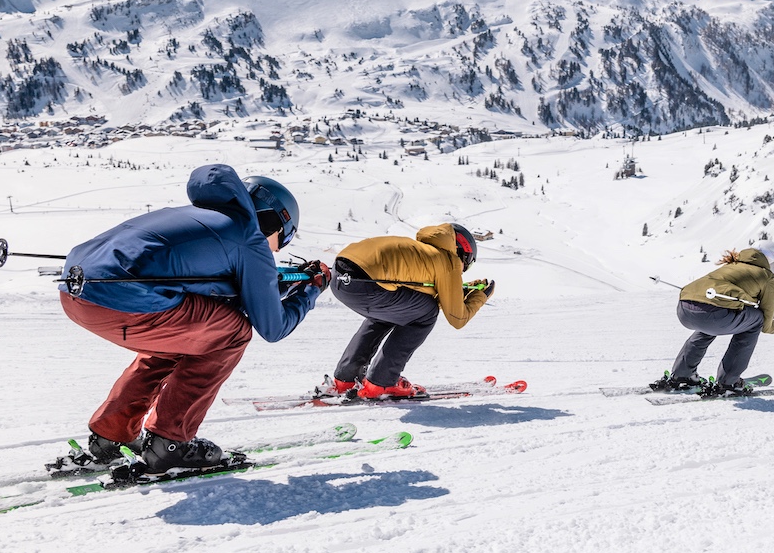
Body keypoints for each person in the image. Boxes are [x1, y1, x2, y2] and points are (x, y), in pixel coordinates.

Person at [59, 164, 330, 473]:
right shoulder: (248, 235)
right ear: (274, 223)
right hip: (126, 302)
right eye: (280, 241)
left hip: (77, 294)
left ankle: (111, 436)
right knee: (232, 334)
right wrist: (311, 290)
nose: (275, 251)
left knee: (182, 341)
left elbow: (198, 278)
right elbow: (273, 327)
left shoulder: (197, 217)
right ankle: (170, 442)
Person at [318, 223, 494, 400]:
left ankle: (346, 378)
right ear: (462, 252)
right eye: (468, 263)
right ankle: (382, 382)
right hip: (370, 284)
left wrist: (457, 292)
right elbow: (458, 318)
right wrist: (480, 296)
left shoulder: (421, 251)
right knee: (427, 314)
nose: (464, 268)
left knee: (387, 315)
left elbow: (414, 293)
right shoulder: (448, 260)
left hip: (341, 278)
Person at [652, 241, 774, 395]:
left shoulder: (732, 265)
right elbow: (765, 324)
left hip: (685, 309)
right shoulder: (766, 275)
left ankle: (682, 375)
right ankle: (728, 382)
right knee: (755, 320)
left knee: (709, 324)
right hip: (716, 313)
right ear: (772, 262)